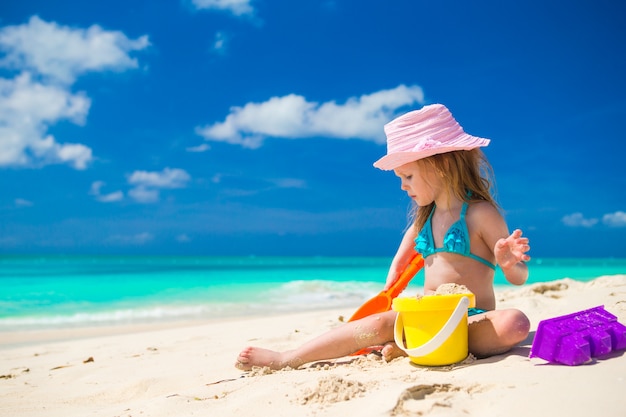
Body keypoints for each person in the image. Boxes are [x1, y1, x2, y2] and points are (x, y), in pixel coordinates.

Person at [235, 103, 531, 371]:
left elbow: (518, 277)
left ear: (440, 166)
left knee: (515, 323)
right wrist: (388, 299)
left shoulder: (480, 214)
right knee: (375, 324)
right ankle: (288, 357)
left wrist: (508, 264)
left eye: (408, 176)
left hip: (468, 321)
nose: (403, 186)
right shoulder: (424, 220)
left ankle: (414, 347)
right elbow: (396, 272)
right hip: (425, 317)